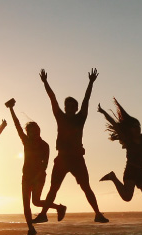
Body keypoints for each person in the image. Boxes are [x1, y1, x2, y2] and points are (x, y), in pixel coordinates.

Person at [33, 68, 108, 223]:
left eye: (72, 105)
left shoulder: (80, 118)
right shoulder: (60, 117)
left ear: (75, 108)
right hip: (62, 158)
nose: (69, 107)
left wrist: (91, 82)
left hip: (77, 159)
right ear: (65, 107)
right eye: (67, 105)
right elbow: (52, 99)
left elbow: (86, 100)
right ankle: (43, 215)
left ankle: (98, 214)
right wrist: (45, 82)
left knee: (86, 187)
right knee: (53, 188)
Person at [6, 98, 67, 235]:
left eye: (35, 131)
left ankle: (59, 208)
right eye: (30, 132)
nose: (33, 134)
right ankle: (31, 229)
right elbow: (17, 126)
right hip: (26, 176)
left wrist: (38, 175)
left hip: (39, 176)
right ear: (28, 133)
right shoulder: (26, 141)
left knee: (36, 201)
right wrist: (11, 109)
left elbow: (45, 164)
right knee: (26, 204)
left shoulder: (44, 145)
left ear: (39, 131)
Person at [97, 99, 142, 204]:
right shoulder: (128, 140)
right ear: (130, 129)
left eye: (139, 126)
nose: (137, 128)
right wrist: (103, 112)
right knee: (127, 197)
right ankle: (113, 177)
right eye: (134, 127)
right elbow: (115, 125)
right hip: (131, 170)